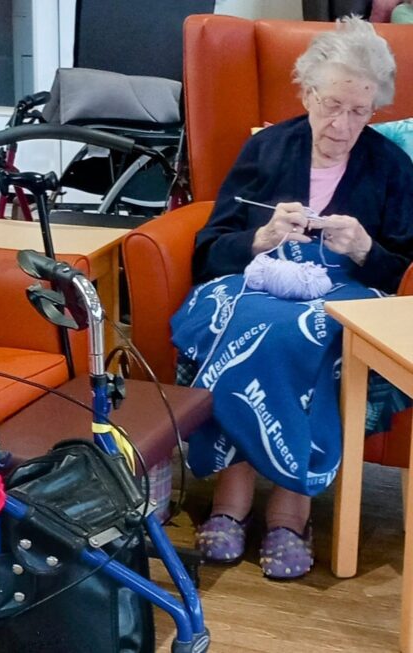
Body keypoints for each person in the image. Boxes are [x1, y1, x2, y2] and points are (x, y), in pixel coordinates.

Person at [172, 17, 413, 580]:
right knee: (243, 319)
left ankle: (289, 508)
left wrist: (365, 249)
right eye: (332, 105)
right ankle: (233, 497)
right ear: (306, 91)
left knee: (303, 333)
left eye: (360, 111)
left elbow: (402, 270)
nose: (342, 123)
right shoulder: (265, 148)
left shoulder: (392, 166)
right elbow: (209, 251)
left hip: (343, 290)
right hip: (257, 281)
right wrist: (262, 237)